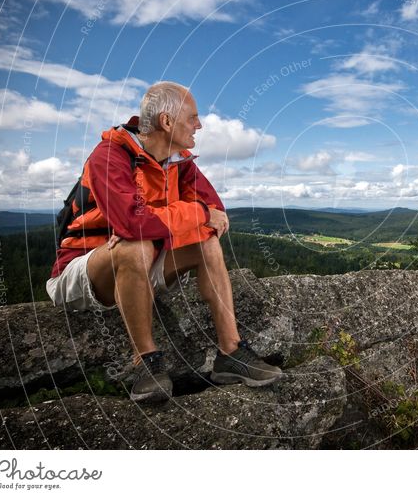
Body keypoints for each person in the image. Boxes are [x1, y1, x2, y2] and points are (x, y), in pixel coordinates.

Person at [46, 81, 281, 403]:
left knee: (206, 242)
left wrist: (169, 217)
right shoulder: (110, 155)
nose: (199, 125)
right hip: (83, 270)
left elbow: (217, 216)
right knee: (135, 244)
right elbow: (133, 224)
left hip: (145, 263)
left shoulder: (179, 162)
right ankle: (147, 362)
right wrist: (190, 212)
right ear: (166, 122)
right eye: (193, 118)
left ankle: (231, 353)